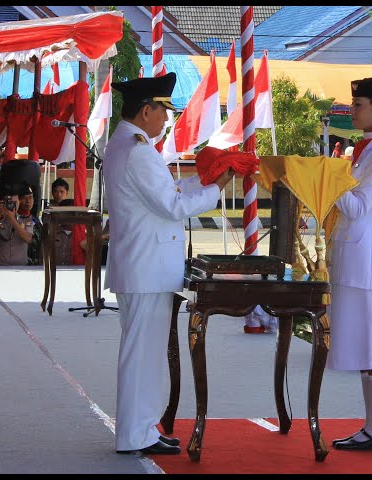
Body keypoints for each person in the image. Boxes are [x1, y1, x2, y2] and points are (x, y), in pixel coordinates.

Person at [103, 72, 235, 456]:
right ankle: (133, 433)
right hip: (147, 267)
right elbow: (173, 206)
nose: (166, 119)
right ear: (146, 111)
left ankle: (142, 428)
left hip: (144, 265)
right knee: (141, 354)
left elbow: (170, 192)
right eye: (163, 111)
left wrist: (204, 180)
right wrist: (216, 188)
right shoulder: (138, 150)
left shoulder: (129, 144)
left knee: (144, 353)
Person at [326, 77, 372, 451]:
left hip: (366, 261)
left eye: (358, 104)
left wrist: (328, 178)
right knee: (364, 347)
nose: (352, 110)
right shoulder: (363, 151)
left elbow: (356, 207)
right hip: (349, 258)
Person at [0, 186, 34, 266]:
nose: (12, 205)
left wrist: (12, 219)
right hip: (0, 266)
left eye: (15, 202)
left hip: (21, 267)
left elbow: (28, 239)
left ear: (19, 202)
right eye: (10, 203)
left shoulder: (26, 220)